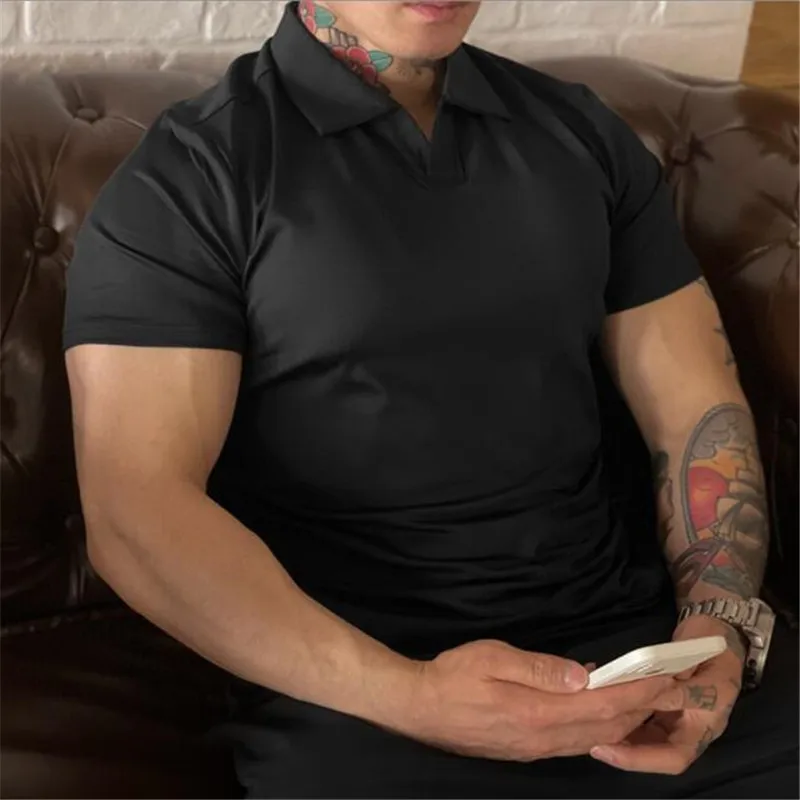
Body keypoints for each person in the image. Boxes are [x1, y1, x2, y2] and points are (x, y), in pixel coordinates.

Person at [63, 1, 798, 797]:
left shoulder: (580, 131)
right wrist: (411, 697)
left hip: (632, 654)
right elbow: (137, 513)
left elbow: (694, 407)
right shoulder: (189, 175)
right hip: (360, 692)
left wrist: (720, 623)